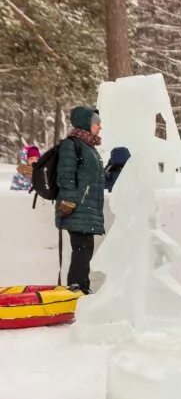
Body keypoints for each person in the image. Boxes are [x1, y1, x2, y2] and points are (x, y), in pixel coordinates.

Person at [56, 107, 106, 295]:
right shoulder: (72, 144)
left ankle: (81, 286)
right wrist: (69, 201)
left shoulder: (89, 147)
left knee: (84, 250)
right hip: (77, 207)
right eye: (96, 123)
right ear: (86, 123)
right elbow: (66, 174)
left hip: (86, 208)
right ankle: (77, 288)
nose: (100, 127)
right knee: (82, 249)